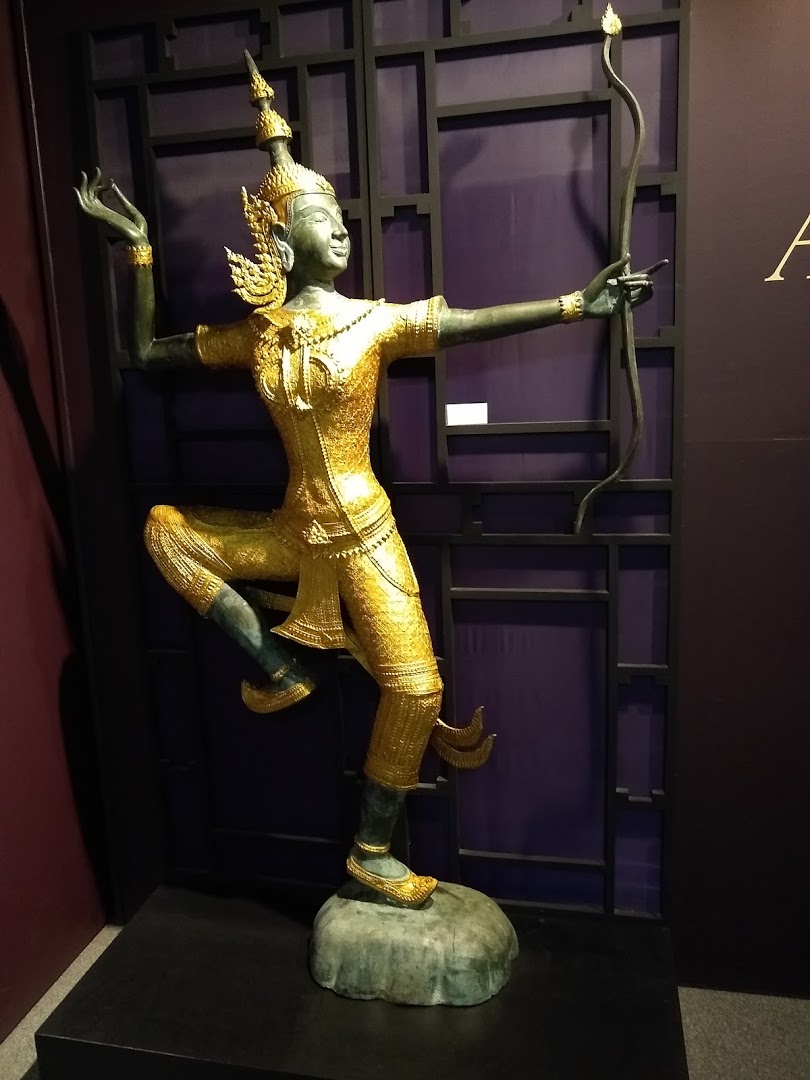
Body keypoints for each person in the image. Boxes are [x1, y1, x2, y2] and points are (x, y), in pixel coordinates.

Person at [75, 56, 656, 906]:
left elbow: (465, 324)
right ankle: (278, 664)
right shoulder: (256, 335)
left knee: (416, 689)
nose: (342, 231)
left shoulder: (374, 324)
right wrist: (138, 250)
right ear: (281, 241)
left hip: (365, 537)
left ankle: (370, 850)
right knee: (165, 530)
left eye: (342, 217)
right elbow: (143, 353)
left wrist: (574, 304)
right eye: (323, 219)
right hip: (292, 532)